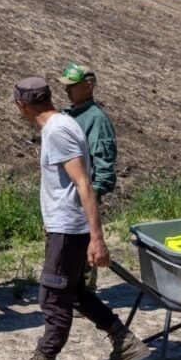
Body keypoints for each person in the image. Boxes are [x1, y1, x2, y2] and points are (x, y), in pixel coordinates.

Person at [1, 77, 149, 360]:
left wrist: (97, 238)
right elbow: (67, 185)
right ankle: (125, 342)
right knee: (76, 292)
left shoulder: (57, 131)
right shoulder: (63, 123)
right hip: (64, 225)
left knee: (53, 298)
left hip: (69, 229)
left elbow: (83, 183)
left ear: (22, 106)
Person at [60, 62, 117, 296]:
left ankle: (84, 291)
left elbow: (104, 161)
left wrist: (94, 192)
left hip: (84, 193)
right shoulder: (70, 114)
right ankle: (72, 287)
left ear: (88, 87)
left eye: (72, 86)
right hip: (67, 192)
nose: (67, 91)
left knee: (84, 241)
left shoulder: (96, 120)